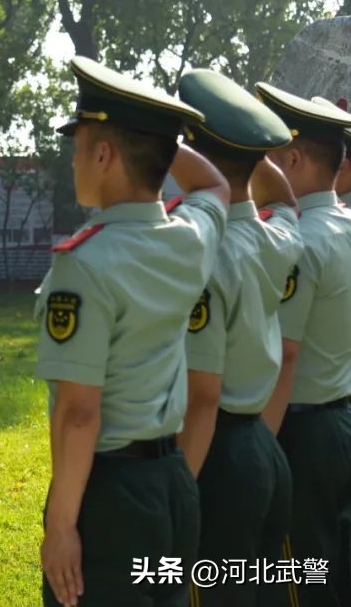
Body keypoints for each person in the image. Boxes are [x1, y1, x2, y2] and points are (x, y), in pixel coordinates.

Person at [37, 56, 229, 607]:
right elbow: (214, 185)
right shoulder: (190, 238)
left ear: (104, 154)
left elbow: (78, 413)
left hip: (108, 498)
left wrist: (61, 525)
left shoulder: (84, 263)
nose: (74, 164)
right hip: (171, 487)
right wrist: (161, 140)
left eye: (79, 150)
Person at [175, 69, 301, 607]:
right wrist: (255, 154)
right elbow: (290, 201)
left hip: (215, 454)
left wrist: (178, 496)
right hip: (264, 449)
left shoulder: (203, 253)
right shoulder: (277, 235)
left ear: (197, 155)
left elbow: (203, 398)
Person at [257, 82, 351, 607]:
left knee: (297, 575)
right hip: (339, 413)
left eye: (270, 155)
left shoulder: (302, 242)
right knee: (333, 561)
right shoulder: (343, 224)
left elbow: (286, 354)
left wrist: (263, 450)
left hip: (301, 428)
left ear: (292, 157)